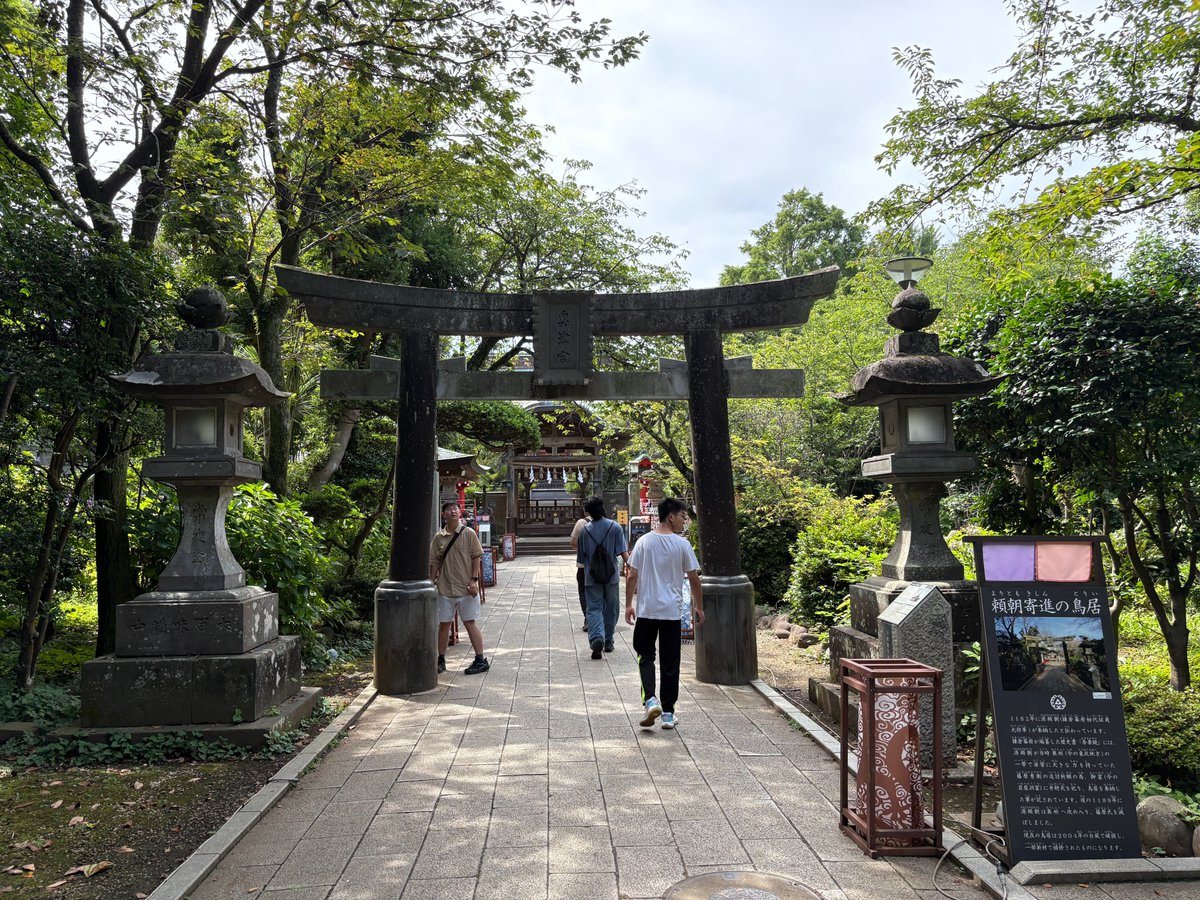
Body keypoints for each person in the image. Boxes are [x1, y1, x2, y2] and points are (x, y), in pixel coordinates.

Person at [624, 497, 705, 729]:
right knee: (670, 662)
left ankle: (650, 700)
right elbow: (693, 579)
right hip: (672, 613)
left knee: (645, 656)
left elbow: (632, 575)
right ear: (671, 516)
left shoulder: (644, 542)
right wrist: (698, 606)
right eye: (682, 516)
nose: (684, 521)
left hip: (647, 610)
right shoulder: (682, 545)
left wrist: (629, 604)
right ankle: (668, 714)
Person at [429, 502, 489, 675]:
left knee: (470, 622)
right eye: (449, 509)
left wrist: (474, 580)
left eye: (455, 508)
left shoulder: (468, 533)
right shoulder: (438, 538)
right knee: (444, 625)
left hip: (466, 587)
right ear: (443, 515)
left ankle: (480, 659)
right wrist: (431, 583)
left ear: (460, 512)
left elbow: (476, 556)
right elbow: (434, 563)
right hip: (445, 587)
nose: (453, 511)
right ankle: (440, 659)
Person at [577, 496, 629, 660]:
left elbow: (581, 558)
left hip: (591, 577)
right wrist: (634, 569)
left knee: (593, 609)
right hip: (611, 576)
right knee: (611, 609)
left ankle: (596, 638)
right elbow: (623, 553)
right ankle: (608, 640)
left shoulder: (584, 530)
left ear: (589, 512)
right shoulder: (615, 527)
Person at [569, 514, 590, 632]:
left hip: (584, 565)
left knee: (583, 591)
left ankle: (588, 618)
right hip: (604, 567)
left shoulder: (582, 523)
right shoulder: (610, 524)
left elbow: (573, 543)